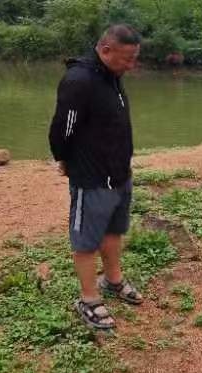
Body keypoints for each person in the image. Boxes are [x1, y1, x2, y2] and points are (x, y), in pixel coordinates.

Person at [48, 24, 144, 330]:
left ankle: (113, 280)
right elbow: (63, 128)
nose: (131, 65)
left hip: (118, 173)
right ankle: (88, 299)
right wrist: (64, 160)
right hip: (91, 177)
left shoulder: (112, 76)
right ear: (105, 50)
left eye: (134, 58)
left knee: (113, 230)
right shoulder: (79, 80)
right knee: (86, 241)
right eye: (127, 58)